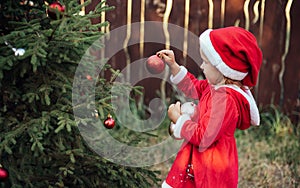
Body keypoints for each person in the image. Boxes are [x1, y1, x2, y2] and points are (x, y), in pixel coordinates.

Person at [157, 26, 263, 188]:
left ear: (224, 70)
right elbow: (194, 87)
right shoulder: (214, 87)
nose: (201, 66)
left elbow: (204, 136)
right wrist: (174, 66)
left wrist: (179, 120)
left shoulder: (225, 101)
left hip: (211, 164)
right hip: (201, 159)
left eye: (206, 62)